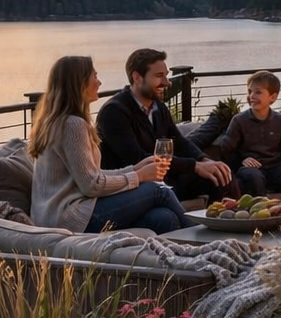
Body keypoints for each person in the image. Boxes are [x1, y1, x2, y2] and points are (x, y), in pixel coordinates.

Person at [28, 55, 187, 234]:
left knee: (164, 218)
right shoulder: (72, 125)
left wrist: (135, 168)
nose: (99, 82)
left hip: (58, 215)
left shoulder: (58, 122)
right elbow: (91, 185)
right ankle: (203, 238)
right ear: (79, 83)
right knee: (158, 190)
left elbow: (90, 175)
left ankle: (180, 250)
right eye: (95, 76)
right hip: (69, 218)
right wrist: (140, 176)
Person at [96, 47, 239, 205]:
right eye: (159, 76)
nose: (167, 82)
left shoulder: (158, 107)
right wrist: (194, 166)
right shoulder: (114, 112)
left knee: (221, 175)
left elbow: (179, 142)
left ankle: (231, 217)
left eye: (166, 75)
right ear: (137, 77)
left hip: (166, 177)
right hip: (135, 186)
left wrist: (204, 160)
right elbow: (137, 158)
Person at [210, 70, 281, 196]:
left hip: (274, 167)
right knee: (254, 176)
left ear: (272, 97)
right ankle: (262, 206)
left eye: (258, 92)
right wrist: (242, 160)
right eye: (250, 91)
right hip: (250, 169)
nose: (252, 96)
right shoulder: (239, 120)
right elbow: (226, 149)